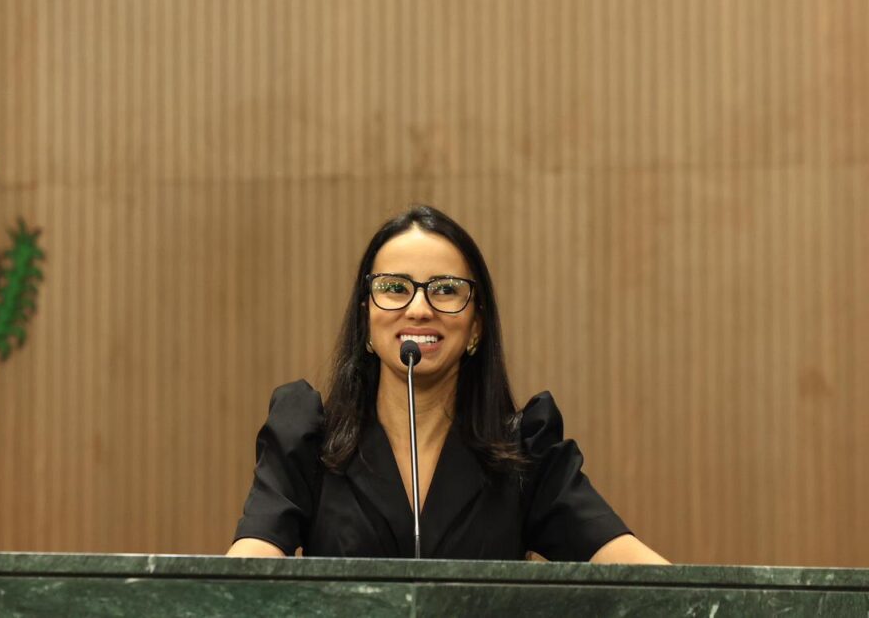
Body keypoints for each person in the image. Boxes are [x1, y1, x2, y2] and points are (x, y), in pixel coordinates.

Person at [228, 206, 668, 563]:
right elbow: (248, 569)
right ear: (366, 322)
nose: (419, 309)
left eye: (445, 290)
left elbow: (636, 572)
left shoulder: (526, 453)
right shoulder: (308, 440)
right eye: (395, 287)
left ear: (476, 327)